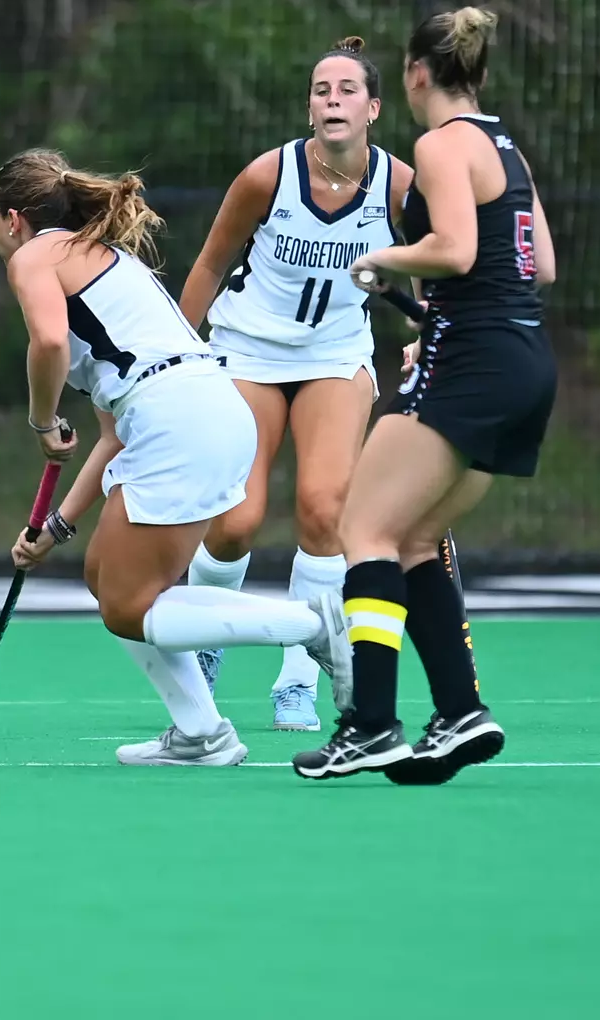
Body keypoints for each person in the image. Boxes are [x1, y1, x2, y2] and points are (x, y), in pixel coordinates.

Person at [0, 148, 349, 767]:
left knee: (128, 605)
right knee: (105, 579)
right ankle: (202, 733)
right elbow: (112, 437)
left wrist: (41, 420)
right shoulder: (100, 260)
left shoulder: (35, 256)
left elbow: (47, 343)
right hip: (201, 411)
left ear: (14, 219)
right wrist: (56, 527)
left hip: (179, 418)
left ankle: (311, 624)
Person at [294, 8, 554, 783]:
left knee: (362, 528)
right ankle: (459, 712)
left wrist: (382, 259)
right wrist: (441, 314)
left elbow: (456, 249)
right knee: (412, 539)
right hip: (523, 363)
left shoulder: (440, 144)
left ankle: (371, 724)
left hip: (471, 363)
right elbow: (536, 265)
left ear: (413, 74)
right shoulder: (503, 145)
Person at [177, 37, 413, 732]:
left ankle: (297, 681)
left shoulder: (400, 185)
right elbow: (209, 265)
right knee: (235, 521)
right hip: (246, 350)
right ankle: (206, 644)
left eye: (346, 90)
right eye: (320, 90)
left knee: (323, 508)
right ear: (310, 108)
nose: (332, 100)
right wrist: (174, 358)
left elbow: (441, 258)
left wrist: (429, 330)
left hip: (335, 355)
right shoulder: (266, 175)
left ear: (372, 109)